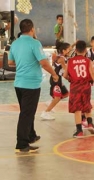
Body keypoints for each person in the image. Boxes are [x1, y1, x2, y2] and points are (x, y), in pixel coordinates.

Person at [8, 19, 59, 153]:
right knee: (27, 113)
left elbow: (11, 62)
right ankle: (22, 144)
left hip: (18, 83)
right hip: (30, 84)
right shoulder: (34, 43)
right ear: (32, 29)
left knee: (26, 111)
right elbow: (44, 62)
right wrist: (54, 74)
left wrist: (23, 61)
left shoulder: (15, 43)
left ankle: (31, 135)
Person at [63, 40, 94, 138]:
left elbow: (65, 75)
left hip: (75, 86)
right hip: (86, 86)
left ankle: (79, 131)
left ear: (75, 50)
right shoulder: (88, 61)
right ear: (86, 50)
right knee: (87, 105)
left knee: (77, 109)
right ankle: (90, 124)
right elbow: (92, 73)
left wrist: (70, 79)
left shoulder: (70, 61)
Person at [40, 42, 71, 120]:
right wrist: (72, 78)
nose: (69, 52)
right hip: (56, 79)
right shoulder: (62, 59)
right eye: (68, 50)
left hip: (58, 79)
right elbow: (66, 70)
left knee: (66, 94)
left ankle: (50, 103)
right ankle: (46, 112)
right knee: (57, 98)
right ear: (63, 51)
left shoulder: (59, 56)